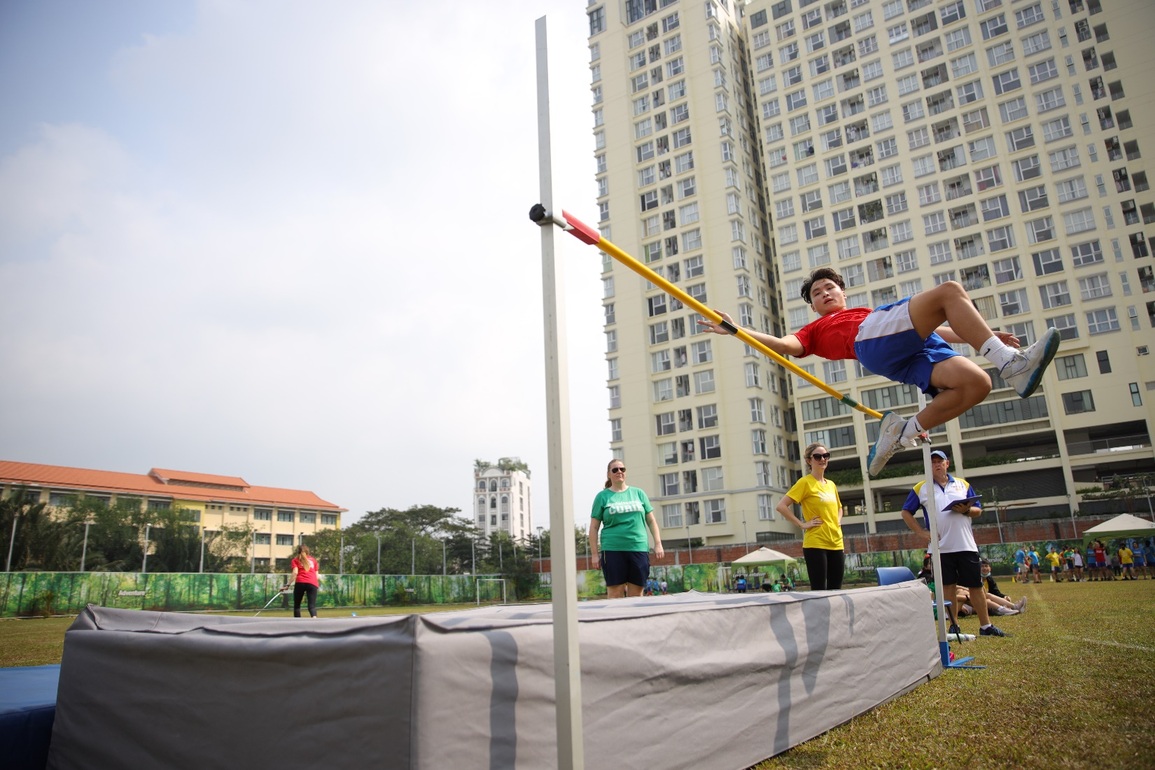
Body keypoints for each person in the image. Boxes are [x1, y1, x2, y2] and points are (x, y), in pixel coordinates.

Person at [699, 268, 1060, 476]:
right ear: (812, 305)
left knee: (977, 383)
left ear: (842, 292)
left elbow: (939, 328)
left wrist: (982, 334)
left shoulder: (864, 309)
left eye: (830, 287)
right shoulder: (814, 330)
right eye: (817, 293)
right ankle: (1011, 363)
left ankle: (903, 430)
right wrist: (736, 331)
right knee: (949, 291)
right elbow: (783, 345)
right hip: (871, 341)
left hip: (913, 350)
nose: (824, 293)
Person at [900, 449, 1007, 637]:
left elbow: (978, 510)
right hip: (940, 548)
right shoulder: (921, 488)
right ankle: (953, 626)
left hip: (966, 544)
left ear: (947, 463)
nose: (936, 465)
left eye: (939, 461)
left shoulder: (962, 484)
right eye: (932, 462)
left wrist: (966, 510)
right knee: (947, 586)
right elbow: (906, 512)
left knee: (976, 586)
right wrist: (921, 532)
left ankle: (986, 626)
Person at [590, 460, 665, 598]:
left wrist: (658, 544)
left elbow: (651, 520)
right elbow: (594, 527)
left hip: (638, 547)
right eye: (615, 470)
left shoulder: (639, 493)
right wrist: (595, 554)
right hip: (612, 549)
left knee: (637, 594)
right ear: (608, 474)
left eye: (622, 469)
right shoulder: (602, 497)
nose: (619, 472)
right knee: (615, 593)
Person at [775, 443, 845, 590]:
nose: (822, 459)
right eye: (818, 456)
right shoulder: (805, 482)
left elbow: (839, 507)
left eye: (825, 456)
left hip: (836, 542)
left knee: (836, 589)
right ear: (809, 460)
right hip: (816, 543)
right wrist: (802, 524)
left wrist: (837, 522)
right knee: (819, 590)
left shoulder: (831, 484)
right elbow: (781, 506)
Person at [289, 543, 320, 619]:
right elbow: (317, 576)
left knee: (297, 606)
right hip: (312, 583)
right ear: (308, 552)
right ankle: (314, 620)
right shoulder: (313, 560)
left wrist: (288, 584)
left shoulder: (295, 560)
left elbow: (295, 572)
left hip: (300, 582)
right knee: (312, 606)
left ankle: (297, 624)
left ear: (298, 552)